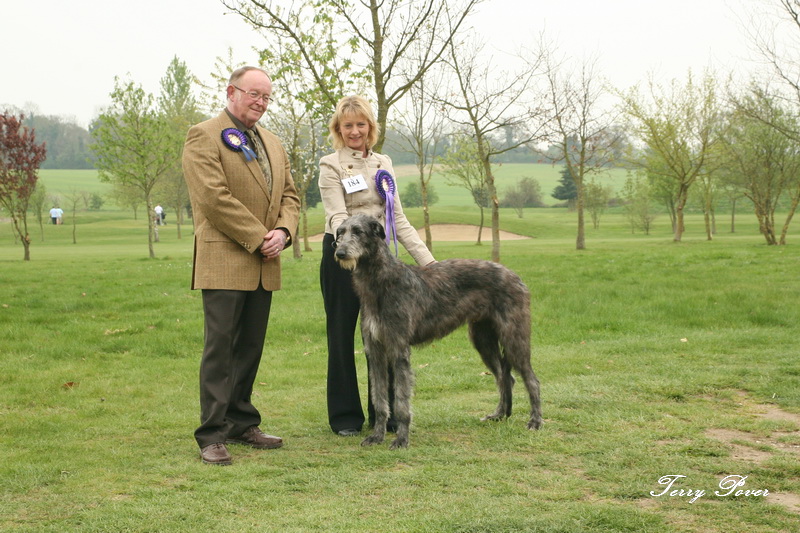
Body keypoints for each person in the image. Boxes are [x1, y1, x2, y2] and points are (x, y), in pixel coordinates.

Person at [182, 66, 300, 465]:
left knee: (250, 347)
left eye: (267, 97)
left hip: (264, 263)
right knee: (221, 350)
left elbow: (291, 196)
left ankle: (241, 421)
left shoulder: (273, 142)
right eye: (254, 94)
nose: (261, 102)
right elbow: (213, 198)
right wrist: (258, 236)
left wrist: (282, 232)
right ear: (231, 91)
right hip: (225, 258)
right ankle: (212, 435)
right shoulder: (203, 135)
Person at [319, 95, 435, 437]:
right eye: (347, 125)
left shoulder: (384, 162)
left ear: (371, 127)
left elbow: (397, 219)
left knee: (385, 338)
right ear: (338, 130)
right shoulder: (331, 164)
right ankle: (344, 417)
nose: (355, 131)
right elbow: (336, 213)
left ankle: (383, 415)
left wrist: (430, 265)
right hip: (342, 254)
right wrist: (348, 241)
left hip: (380, 262)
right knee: (341, 336)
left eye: (361, 124)